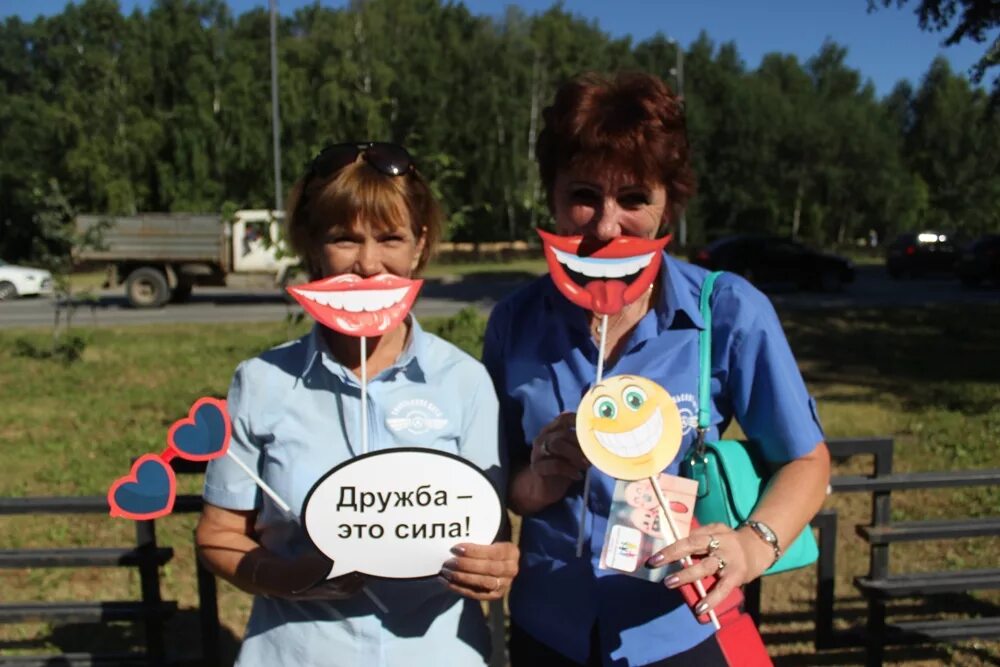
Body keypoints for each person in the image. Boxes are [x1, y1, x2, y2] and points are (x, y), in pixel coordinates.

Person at [482, 72, 831, 665]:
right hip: (550, 626)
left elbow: (806, 459)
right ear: (554, 196)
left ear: (669, 201)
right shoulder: (515, 322)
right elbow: (500, 478)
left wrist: (752, 546)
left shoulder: (726, 311)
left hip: (678, 626)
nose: (606, 225)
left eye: (635, 199)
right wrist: (535, 482)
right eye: (584, 195)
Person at [196, 142, 518, 666]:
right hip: (296, 653)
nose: (368, 264)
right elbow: (218, 534)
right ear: (312, 248)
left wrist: (496, 565)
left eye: (390, 238)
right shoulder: (262, 382)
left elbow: (490, 530)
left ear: (420, 245)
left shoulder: (464, 381)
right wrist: (287, 580)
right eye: (344, 239)